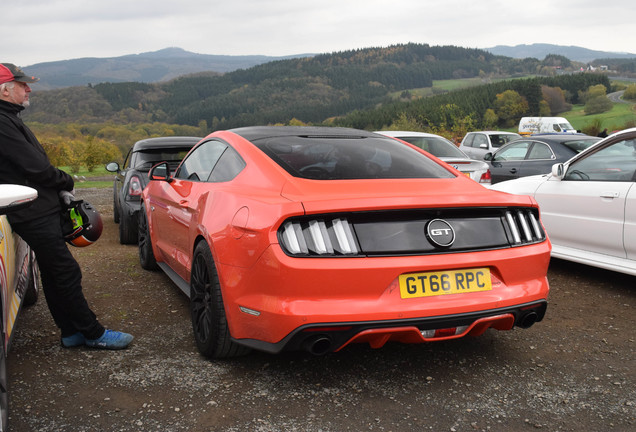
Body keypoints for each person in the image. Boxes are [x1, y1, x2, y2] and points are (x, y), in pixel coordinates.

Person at [0, 63, 133, 349]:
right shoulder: (1, 121)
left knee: (52, 271)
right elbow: (36, 168)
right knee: (65, 271)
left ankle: (71, 332)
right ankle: (92, 333)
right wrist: (66, 181)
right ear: (5, 89)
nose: (29, 89)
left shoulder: (9, 117)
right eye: (22, 85)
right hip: (30, 212)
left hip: (37, 208)